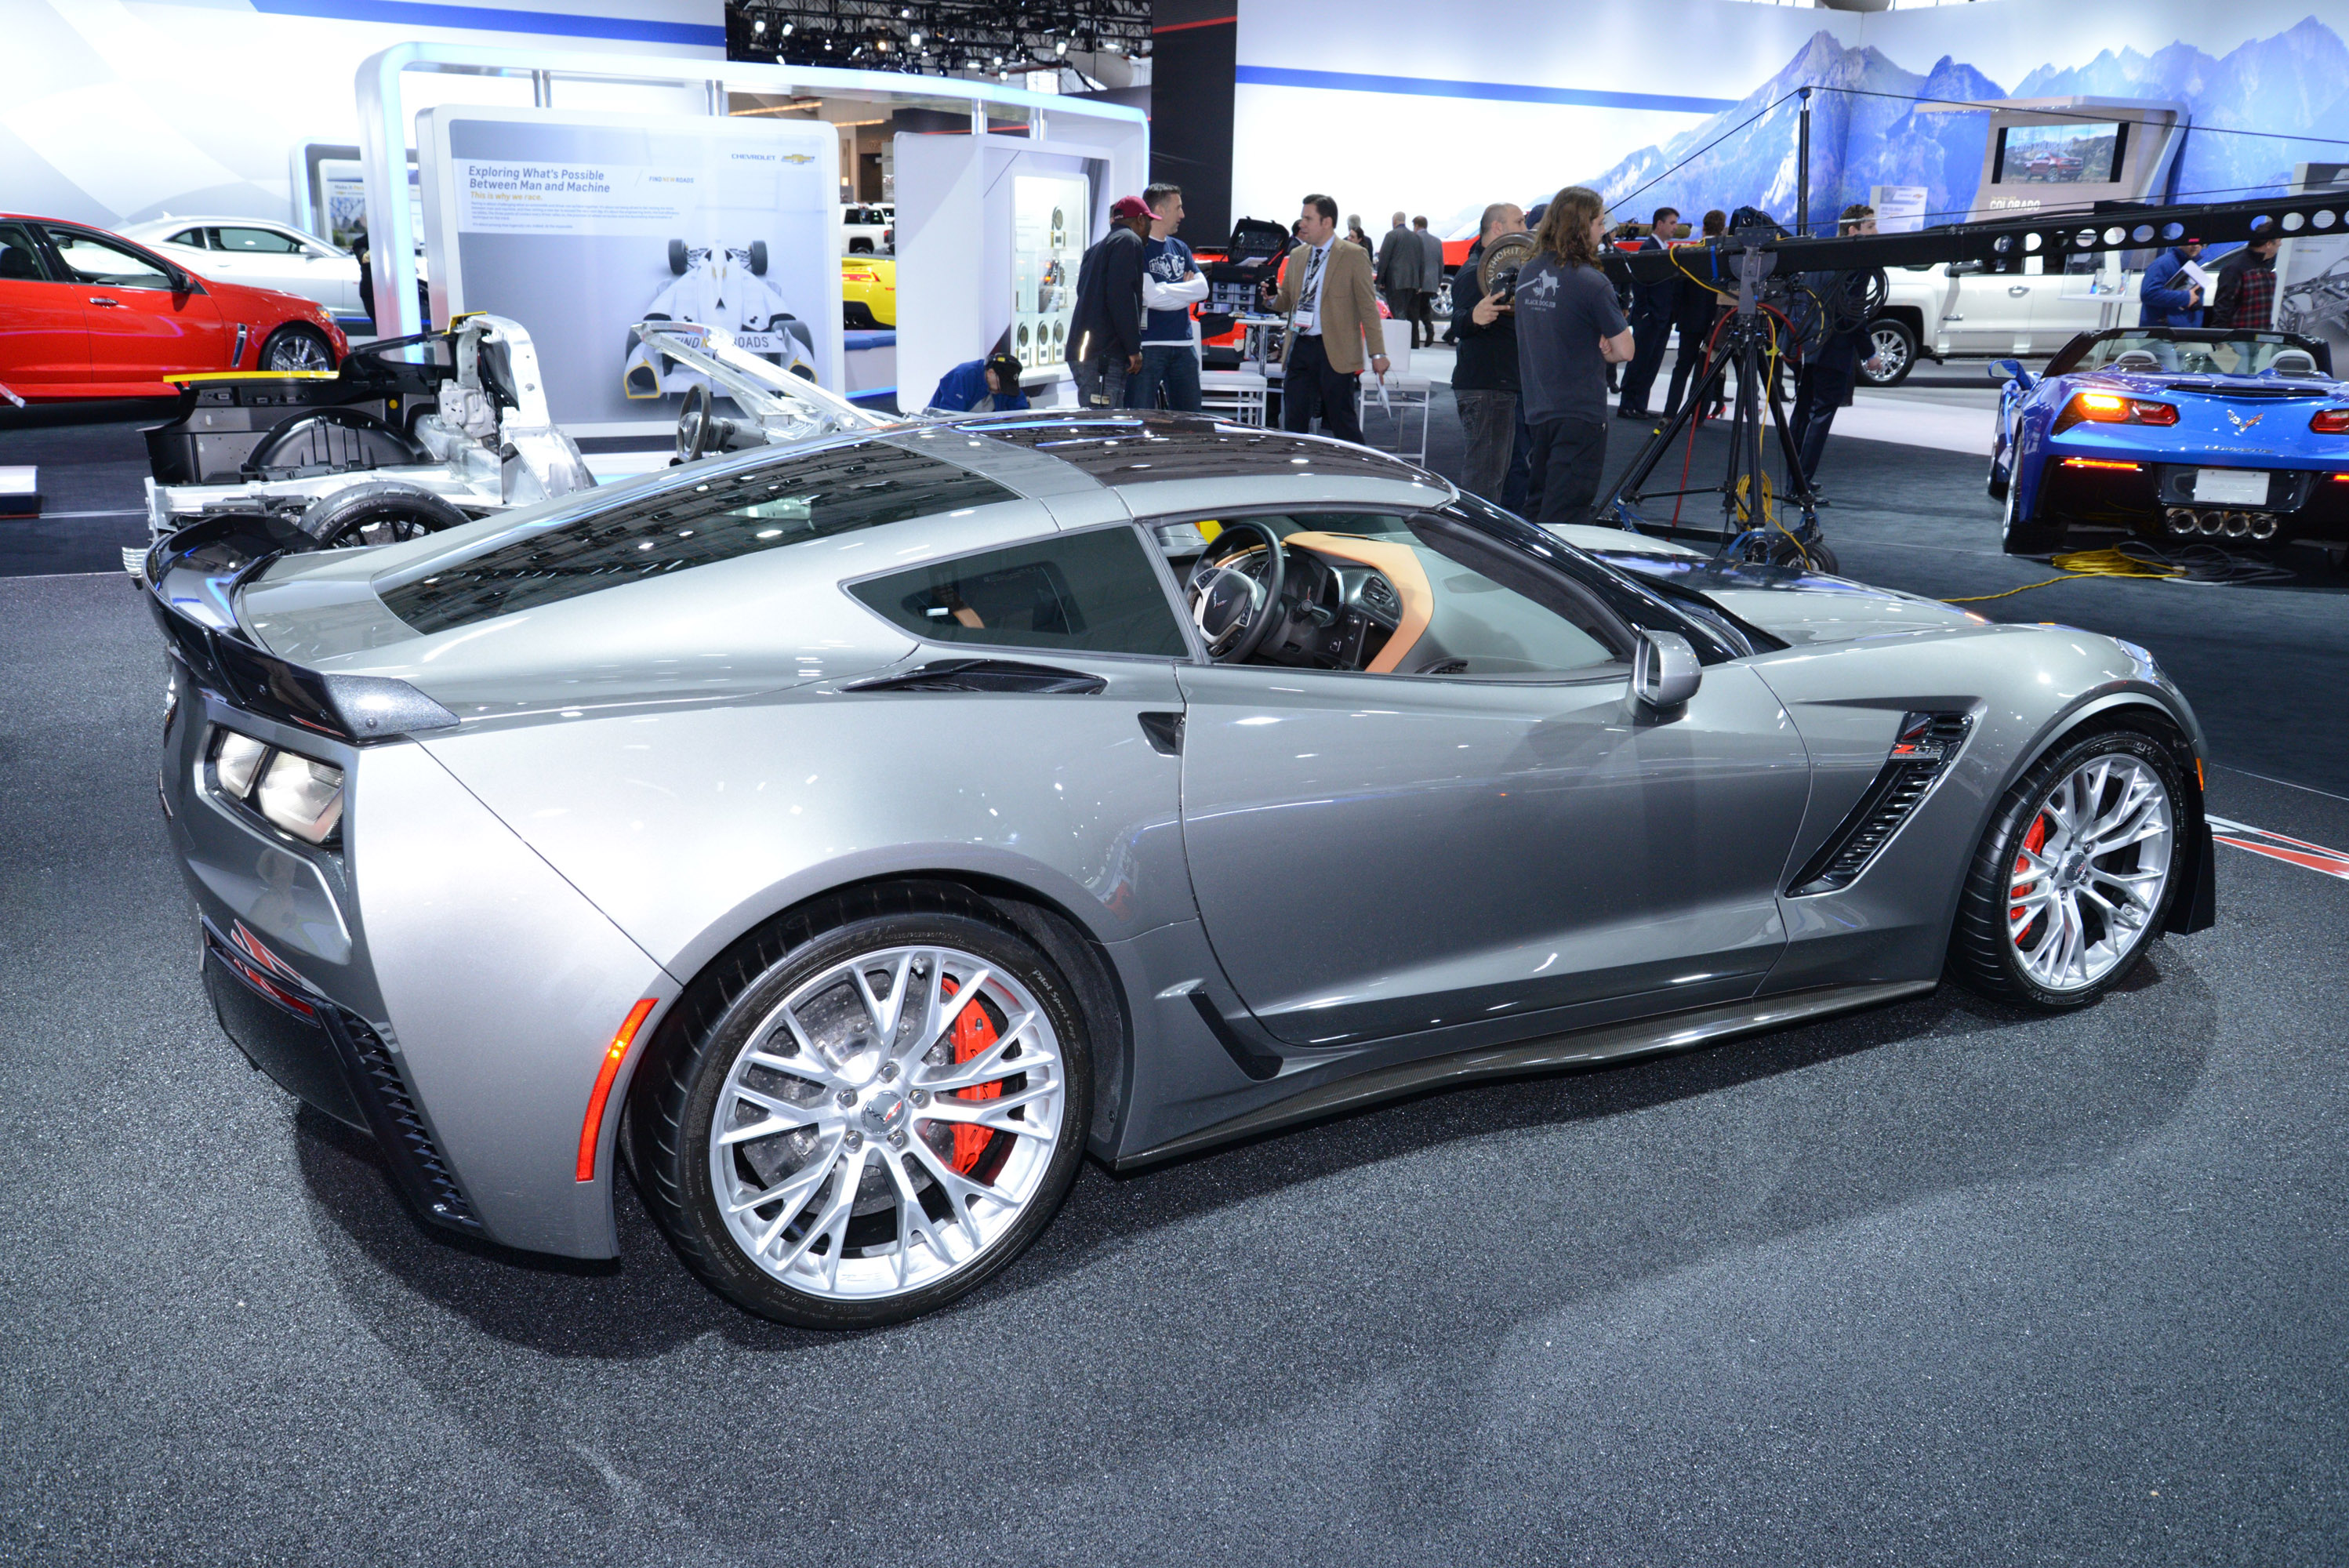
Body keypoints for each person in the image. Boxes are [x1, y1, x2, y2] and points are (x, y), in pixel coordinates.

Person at [1513, 187, 1634, 524]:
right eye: (1598, 222)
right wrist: (1608, 348)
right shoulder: (1592, 282)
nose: (1603, 230)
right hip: (1580, 413)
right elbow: (1626, 349)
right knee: (1566, 514)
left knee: (1538, 505)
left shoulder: (1528, 273)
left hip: (1539, 409)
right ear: (1581, 227)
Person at [1267, 193, 1389, 445]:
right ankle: (1294, 470)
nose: (1302, 224)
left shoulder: (1354, 255)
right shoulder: (1299, 256)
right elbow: (1286, 300)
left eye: (1308, 218)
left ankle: (1358, 470)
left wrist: (1378, 354)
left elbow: (1368, 307)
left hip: (1336, 349)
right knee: (1294, 418)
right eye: (1302, 218)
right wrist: (1270, 298)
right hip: (1300, 345)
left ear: (1327, 222)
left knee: (1342, 420)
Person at [1788, 204, 1879, 486]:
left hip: (1812, 348)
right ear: (1853, 230)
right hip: (1834, 350)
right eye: (1870, 226)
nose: (1877, 231)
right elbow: (1852, 314)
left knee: (1803, 413)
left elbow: (1801, 302)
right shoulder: (1856, 266)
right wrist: (1870, 353)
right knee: (1820, 416)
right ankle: (1801, 484)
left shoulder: (1822, 256)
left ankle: (1793, 480)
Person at [1449, 201, 1526, 503]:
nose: (1525, 228)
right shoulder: (1473, 274)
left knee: (1495, 478)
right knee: (1484, 483)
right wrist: (1472, 318)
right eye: (1519, 222)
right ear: (1498, 227)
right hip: (1487, 389)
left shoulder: (1500, 271)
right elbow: (1458, 321)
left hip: (1498, 387)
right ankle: (1469, 545)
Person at [1067, 194, 1152, 408]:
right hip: (1102, 355)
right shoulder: (1128, 241)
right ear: (1141, 219)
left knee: (1099, 421)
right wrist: (1133, 348)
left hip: (1085, 352)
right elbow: (1122, 298)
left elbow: (1083, 292)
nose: (1150, 227)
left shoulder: (1096, 249)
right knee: (1104, 428)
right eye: (1149, 220)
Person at [1131, 183, 1207, 412]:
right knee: (1138, 416)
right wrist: (1184, 291)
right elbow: (1151, 298)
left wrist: (1164, 288)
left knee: (1191, 421)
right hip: (1149, 346)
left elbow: (1202, 290)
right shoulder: (1138, 247)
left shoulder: (1181, 247)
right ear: (1161, 211)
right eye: (1178, 208)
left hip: (1184, 346)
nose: (1182, 215)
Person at [1614, 205, 1681, 420]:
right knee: (1640, 361)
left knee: (1652, 364)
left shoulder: (1664, 249)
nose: (1675, 228)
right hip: (1650, 317)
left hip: (1662, 318)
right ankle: (1627, 405)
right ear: (1659, 224)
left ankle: (1640, 405)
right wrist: (1645, 313)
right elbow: (1641, 283)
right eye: (1672, 223)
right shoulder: (1648, 248)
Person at [1665, 209, 1732, 420]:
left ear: (1704, 226)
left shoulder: (1690, 252)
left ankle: (1669, 413)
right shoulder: (1726, 256)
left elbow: (1678, 290)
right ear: (1722, 228)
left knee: (1682, 368)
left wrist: (1677, 317)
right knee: (1706, 370)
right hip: (1716, 323)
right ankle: (1698, 416)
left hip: (1690, 320)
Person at [2208, 234, 2282, 331]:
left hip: (2259, 334)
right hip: (2238, 336)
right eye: (2279, 240)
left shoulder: (2266, 265)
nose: (2281, 244)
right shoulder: (2235, 268)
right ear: (2268, 244)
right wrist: (2219, 335)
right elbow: (2223, 305)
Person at [930, 350, 1030, 413]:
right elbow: (949, 416)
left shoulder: (1007, 386)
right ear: (990, 373)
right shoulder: (963, 376)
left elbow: (1020, 411)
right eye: (1001, 386)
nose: (1003, 391)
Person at [1375, 212, 1423, 340]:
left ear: (1394, 221)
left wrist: (1379, 280)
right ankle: (1409, 341)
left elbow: (1384, 259)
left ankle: (1399, 341)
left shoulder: (1391, 235)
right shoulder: (1416, 237)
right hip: (1412, 282)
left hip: (1395, 281)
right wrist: (1420, 283)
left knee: (1397, 313)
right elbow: (1421, 261)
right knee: (1407, 312)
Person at [2140, 238, 2206, 328]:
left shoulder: (2194, 267)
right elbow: (2149, 294)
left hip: (2184, 333)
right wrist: (2186, 297)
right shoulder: (2163, 263)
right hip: (2162, 333)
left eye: (2200, 243)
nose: (2195, 246)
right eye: (2191, 242)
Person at [1413, 216, 1443, 351]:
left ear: (1416, 226)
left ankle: (1417, 338)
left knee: (1415, 310)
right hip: (1432, 281)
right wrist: (1438, 280)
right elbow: (1440, 263)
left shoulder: (1415, 239)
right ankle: (1429, 331)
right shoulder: (1437, 241)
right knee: (1424, 307)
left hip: (1418, 282)